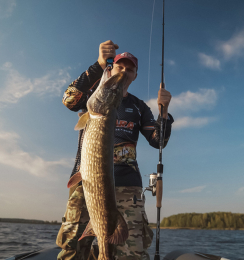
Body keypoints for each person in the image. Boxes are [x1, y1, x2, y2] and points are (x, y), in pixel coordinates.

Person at [56, 40, 173, 260]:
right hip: (88, 183)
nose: (125, 72)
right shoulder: (93, 99)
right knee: (72, 249)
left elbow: (158, 142)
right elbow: (69, 99)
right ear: (111, 68)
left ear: (135, 75)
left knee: (131, 253)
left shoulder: (139, 107)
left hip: (128, 187)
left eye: (130, 69)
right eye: (120, 67)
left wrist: (164, 114)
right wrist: (98, 65)